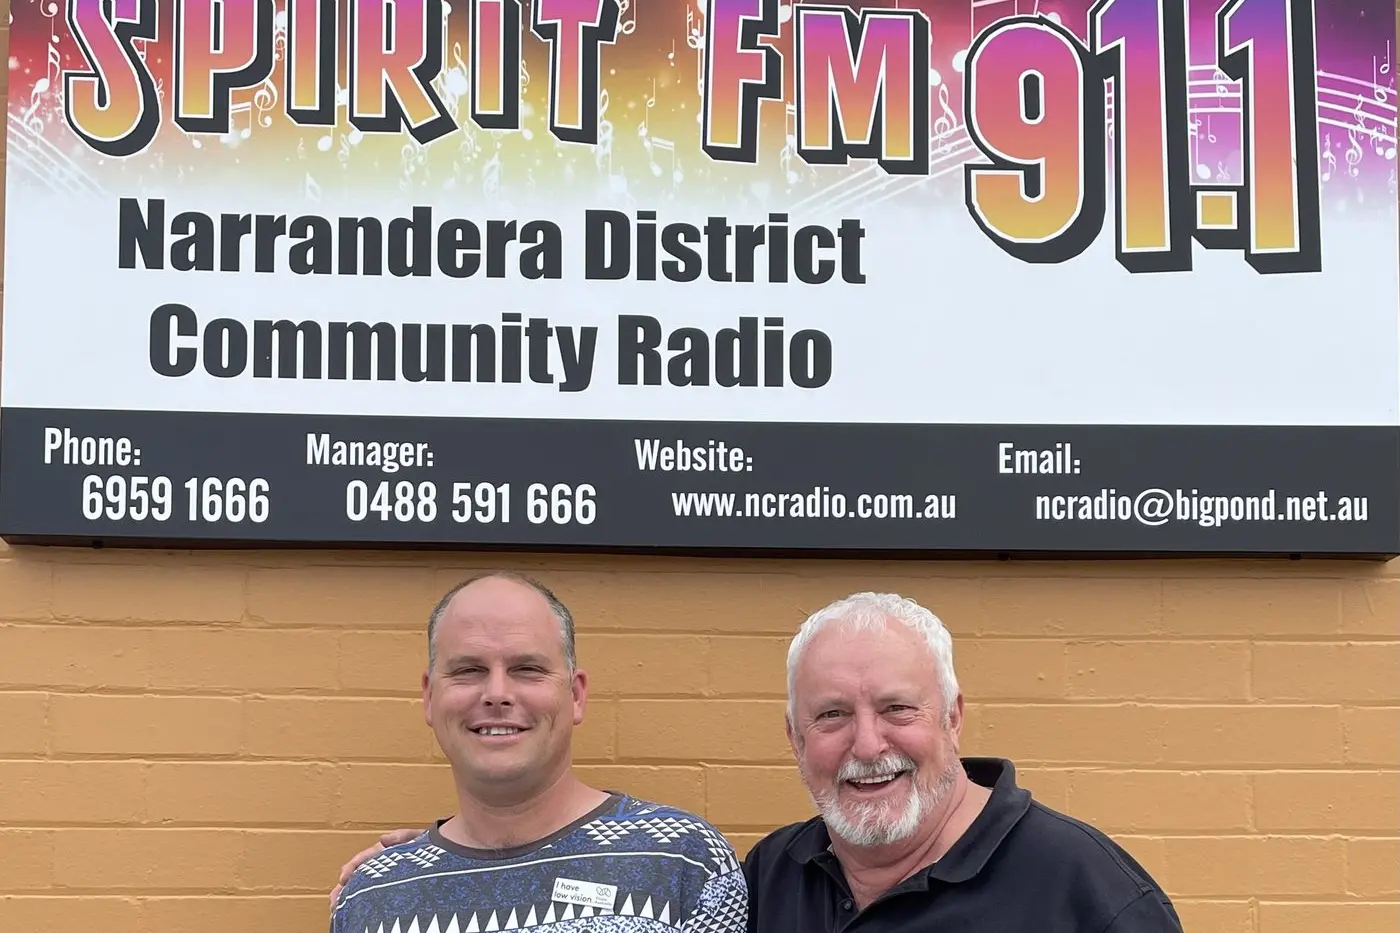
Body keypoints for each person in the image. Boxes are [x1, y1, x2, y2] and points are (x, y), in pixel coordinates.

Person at [335, 589, 1181, 933]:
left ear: (953, 716)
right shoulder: (772, 879)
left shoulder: (1088, 893)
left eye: (897, 709)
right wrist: (438, 867)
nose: (867, 744)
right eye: (831, 716)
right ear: (793, 737)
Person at [329, 571, 747, 933]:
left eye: (527, 669)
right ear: (429, 697)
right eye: (468, 670)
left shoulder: (684, 861)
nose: (497, 694)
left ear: (576, 694)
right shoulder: (371, 894)